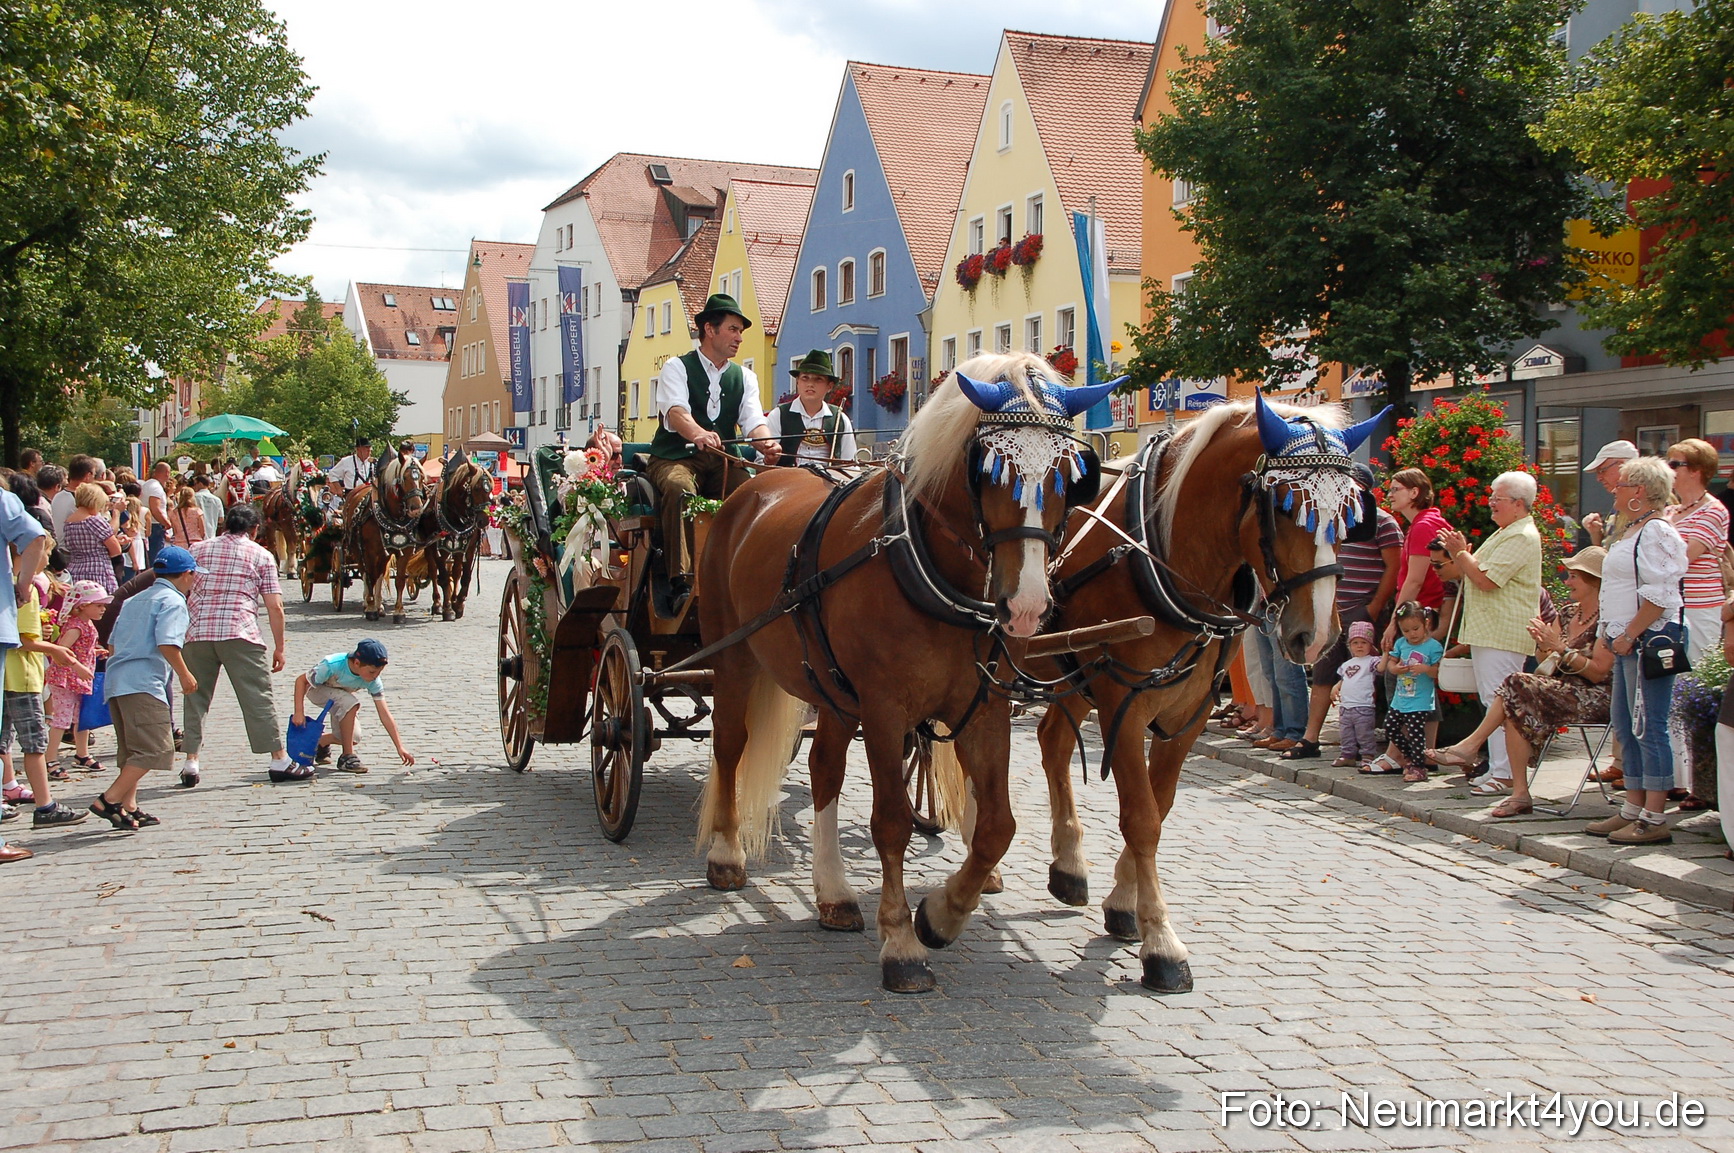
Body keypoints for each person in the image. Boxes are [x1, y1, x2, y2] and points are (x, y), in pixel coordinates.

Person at [1429, 548, 1614, 817]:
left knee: (1516, 686)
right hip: (1561, 689)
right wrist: (1543, 645)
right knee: (1516, 695)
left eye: (1574, 577)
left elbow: (1598, 672)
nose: (1567, 582)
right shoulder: (1567, 613)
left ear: (1594, 582)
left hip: (1594, 696)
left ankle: (1476, 751)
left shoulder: (1607, 620)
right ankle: (1516, 790)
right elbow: (1544, 660)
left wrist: (1560, 649)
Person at [644, 293, 781, 602]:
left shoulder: (744, 377)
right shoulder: (676, 367)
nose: (739, 338)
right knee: (679, 489)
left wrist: (767, 443)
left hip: (722, 462)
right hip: (675, 457)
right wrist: (698, 433)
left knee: (753, 495)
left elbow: (753, 421)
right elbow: (676, 412)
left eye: (741, 332)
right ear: (710, 329)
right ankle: (683, 581)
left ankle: (746, 573)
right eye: (733, 329)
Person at [1586, 455, 1688, 845]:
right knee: (1627, 726)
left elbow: (1661, 595)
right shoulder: (1634, 530)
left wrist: (1629, 632)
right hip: (1627, 640)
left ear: (1640, 492)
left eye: (1623, 483)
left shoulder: (1656, 531)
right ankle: (1633, 806)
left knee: (1650, 727)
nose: (1616, 488)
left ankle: (1654, 816)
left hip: (1646, 640)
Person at [1435, 471, 1544, 797]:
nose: (1491, 503)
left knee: (1503, 703)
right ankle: (1499, 769)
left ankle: (1506, 773)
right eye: (1492, 496)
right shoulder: (1506, 532)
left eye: (1498, 498)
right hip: (1491, 630)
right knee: (1493, 701)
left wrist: (1460, 553)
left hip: (1504, 631)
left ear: (1519, 504)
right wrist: (1461, 555)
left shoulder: (1521, 536)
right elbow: (1473, 571)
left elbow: (1485, 580)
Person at [1289, 465, 1400, 760]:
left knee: (1367, 675)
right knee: (1325, 672)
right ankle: (1310, 738)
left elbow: (1394, 567)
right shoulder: (1334, 519)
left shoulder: (1383, 521)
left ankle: (1375, 741)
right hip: (1334, 608)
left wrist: (1374, 606)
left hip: (1362, 609)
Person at [181, 504, 294, 786]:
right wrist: (279, 646)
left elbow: (184, 589)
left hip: (197, 632)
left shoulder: (197, 550)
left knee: (195, 699)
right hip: (239, 631)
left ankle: (191, 761)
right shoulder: (261, 555)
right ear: (254, 529)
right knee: (257, 697)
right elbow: (274, 607)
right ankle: (278, 758)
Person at [88, 547, 201, 830]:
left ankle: (129, 805)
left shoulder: (135, 599)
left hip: (117, 680)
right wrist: (185, 675)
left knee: (131, 751)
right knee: (155, 749)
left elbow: (113, 643)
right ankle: (109, 799)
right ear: (187, 574)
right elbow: (167, 643)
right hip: (143, 681)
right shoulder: (173, 601)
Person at [5, 563, 88, 828]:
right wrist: (56, 650)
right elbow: (23, 638)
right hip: (21, 674)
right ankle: (46, 806)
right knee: (34, 742)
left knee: (4, 740)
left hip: (7, 673)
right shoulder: (23, 587)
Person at [292, 639, 414, 773]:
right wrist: (299, 712)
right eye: (372, 672)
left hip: (339, 696)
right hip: (316, 690)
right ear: (357, 663)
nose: (375, 677)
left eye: (379, 672)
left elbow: (384, 713)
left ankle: (320, 742)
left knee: (352, 738)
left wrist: (400, 747)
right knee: (349, 702)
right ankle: (347, 757)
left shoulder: (374, 681)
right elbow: (301, 681)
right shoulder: (332, 664)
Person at [45, 579, 111, 774]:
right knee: (62, 720)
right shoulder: (76, 626)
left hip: (78, 679)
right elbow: (61, 651)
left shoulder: (86, 624)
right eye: (98, 605)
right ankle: (49, 759)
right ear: (82, 606)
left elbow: (81, 648)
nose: (103, 609)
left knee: (82, 718)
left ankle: (82, 754)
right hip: (65, 679)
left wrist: (94, 653)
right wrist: (77, 666)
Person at [1383, 468, 1452, 648]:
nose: (1390, 495)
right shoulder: (1427, 522)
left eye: (1396, 489)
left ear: (1414, 492)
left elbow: (1415, 581)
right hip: (1424, 617)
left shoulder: (1423, 526)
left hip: (1419, 619)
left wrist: (1394, 622)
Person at [1379, 602, 1443, 782]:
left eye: (1415, 629)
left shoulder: (1433, 647)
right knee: (1390, 727)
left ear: (1426, 624)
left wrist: (1426, 669)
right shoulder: (1401, 643)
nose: (1411, 634)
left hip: (1420, 699)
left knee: (1416, 733)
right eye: (1406, 631)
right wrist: (1396, 668)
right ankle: (1410, 756)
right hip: (1401, 698)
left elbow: (1438, 671)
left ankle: (1418, 767)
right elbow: (1391, 664)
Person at [766, 350, 859, 465]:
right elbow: (763, 462)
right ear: (797, 382)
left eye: (818, 379)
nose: (810, 384)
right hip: (787, 480)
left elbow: (850, 465)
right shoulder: (778, 416)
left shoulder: (841, 419)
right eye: (805, 378)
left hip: (829, 481)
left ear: (829, 386)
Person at [1333, 621, 1382, 768]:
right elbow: (1345, 678)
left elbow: (1381, 668)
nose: (1359, 646)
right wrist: (1336, 687)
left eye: (1363, 642)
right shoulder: (1347, 664)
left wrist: (1386, 654)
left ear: (1370, 645)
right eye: (1355, 642)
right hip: (1346, 707)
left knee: (1364, 733)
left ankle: (1367, 755)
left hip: (1363, 706)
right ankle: (1347, 755)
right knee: (1346, 734)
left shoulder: (1372, 661)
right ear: (1350, 645)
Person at [63, 483, 126, 594]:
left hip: (75, 571)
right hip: (98, 571)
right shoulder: (94, 520)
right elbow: (116, 550)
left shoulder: (69, 522)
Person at [1579, 439, 1640, 549]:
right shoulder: (1619, 504)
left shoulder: (1653, 500)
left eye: (1602, 471)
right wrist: (1596, 534)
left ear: (1622, 465)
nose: (1599, 478)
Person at [51, 455, 94, 540]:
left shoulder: (57, 496)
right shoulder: (82, 500)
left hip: (58, 547)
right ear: (88, 476)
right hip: (72, 550)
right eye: (94, 475)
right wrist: (117, 512)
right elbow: (103, 533)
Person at [142, 460, 172, 560]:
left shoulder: (147, 484)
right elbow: (155, 508)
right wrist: (166, 523)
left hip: (147, 524)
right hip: (155, 526)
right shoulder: (156, 488)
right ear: (167, 473)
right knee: (155, 557)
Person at [193, 473, 224, 538]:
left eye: (195, 484)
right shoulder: (217, 500)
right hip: (212, 535)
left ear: (200, 484)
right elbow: (221, 519)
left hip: (197, 536)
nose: (194, 486)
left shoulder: (194, 498)